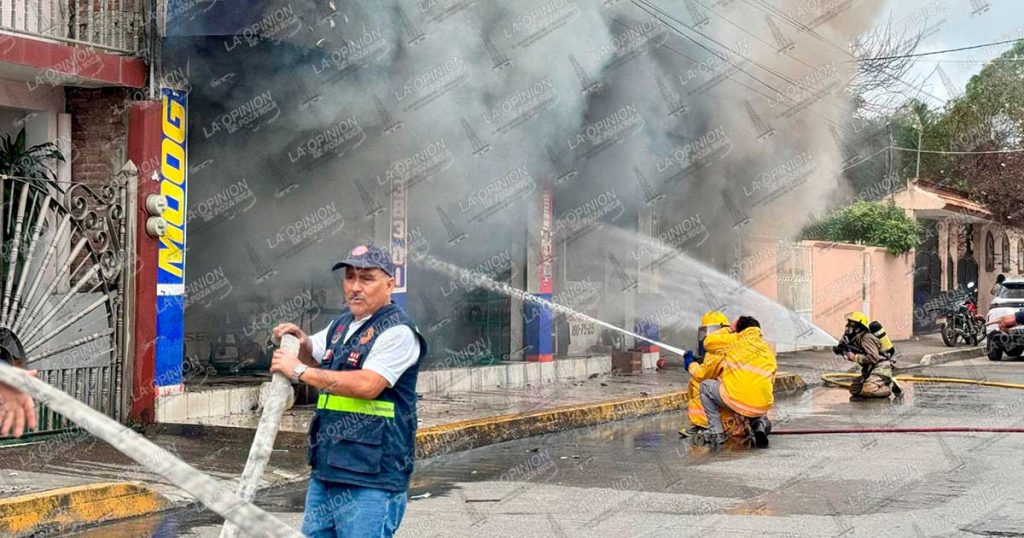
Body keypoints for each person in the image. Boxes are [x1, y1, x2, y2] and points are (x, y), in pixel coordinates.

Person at [271, 244, 426, 538]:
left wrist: (299, 371)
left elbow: (368, 385)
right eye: (350, 277)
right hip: (327, 469)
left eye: (366, 279)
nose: (355, 287)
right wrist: (299, 340)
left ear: (389, 284)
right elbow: (312, 353)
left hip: (372, 477)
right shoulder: (342, 325)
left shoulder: (398, 331)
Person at [697, 316, 776, 449]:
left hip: (736, 400)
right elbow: (770, 381)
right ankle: (759, 423)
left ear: (739, 330)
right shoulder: (767, 349)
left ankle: (716, 432)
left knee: (705, 386)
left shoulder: (735, 340)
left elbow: (708, 343)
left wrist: (727, 329)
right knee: (755, 395)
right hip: (762, 406)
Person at [680, 310, 742, 438]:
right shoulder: (734, 343)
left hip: (728, 398)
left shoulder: (717, 348)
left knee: (698, 384)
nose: (706, 336)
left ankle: (703, 425)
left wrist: (690, 364)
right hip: (740, 399)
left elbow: (702, 374)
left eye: (709, 331)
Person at [837, 311, 895, 399]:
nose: (848, 327)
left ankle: (890, 386)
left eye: (852, 325)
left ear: (859, 327)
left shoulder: (866, 338)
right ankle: (874, 384)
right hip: (869, 369)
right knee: (854, 390)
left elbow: (873, 358)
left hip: (881, 368)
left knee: (868, 390)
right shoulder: (855, 339)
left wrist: (855, 357)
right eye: (848, 324)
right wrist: (843, 351)